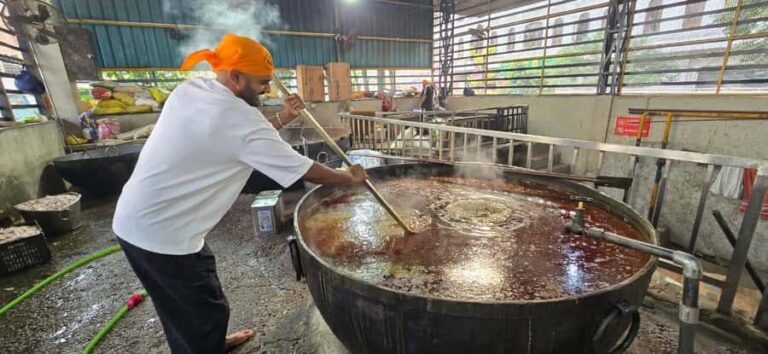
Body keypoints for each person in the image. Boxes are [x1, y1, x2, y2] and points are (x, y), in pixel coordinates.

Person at [111, 33, 366, 354]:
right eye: (261, 82)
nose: (267, 89)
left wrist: (285, 117)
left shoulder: (191, 90)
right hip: (161, 235)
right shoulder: (238, 119)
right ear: (234, 76)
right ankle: (205, 344)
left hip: (141, 219)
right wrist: (347, 176)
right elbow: (303, 169)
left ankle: (208, 343)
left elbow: (238, 135)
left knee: (183, 309)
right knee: (201, 314)